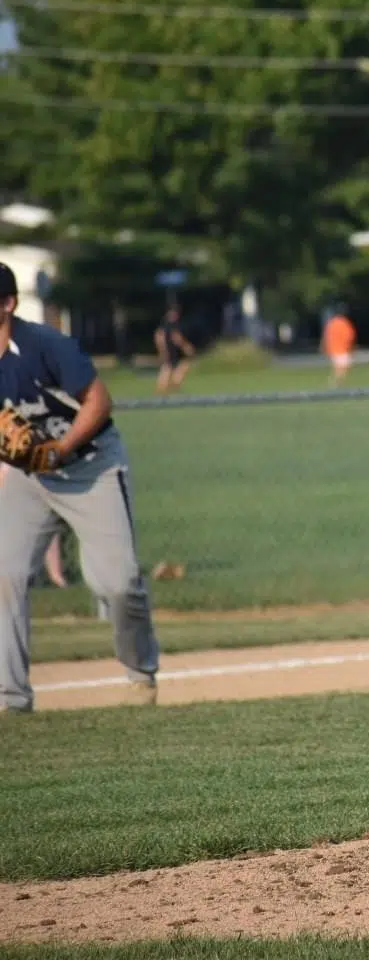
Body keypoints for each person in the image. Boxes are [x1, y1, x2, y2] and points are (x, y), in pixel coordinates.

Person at [0, 262, 160, 714]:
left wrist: (60, 448)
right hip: (31, 480)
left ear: (8, 303)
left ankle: (141, 675)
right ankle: (11, 700)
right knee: (4, 576)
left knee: (117, 582)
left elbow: (99, 401)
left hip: (91, 468)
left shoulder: (44, 344)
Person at [154, 304, 196, 395]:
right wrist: (186, 347)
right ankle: (165, 391)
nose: (175, 315)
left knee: (177, 369)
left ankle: (171, 389)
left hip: (176, 353)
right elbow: (174, 338)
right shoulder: (168, 325)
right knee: (169, 371)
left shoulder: (172, 324)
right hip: (171, 353)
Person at [323, 304, 357, 386]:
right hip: (343, 350)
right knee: (343, 369)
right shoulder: (345, 323)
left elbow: (327, 336)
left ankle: (336, 383)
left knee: (338, 369)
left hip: (333, 350)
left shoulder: (331, 323)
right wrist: (350, 347)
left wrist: (327, 348)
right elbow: (350, 336)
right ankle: (335, 384)